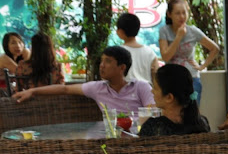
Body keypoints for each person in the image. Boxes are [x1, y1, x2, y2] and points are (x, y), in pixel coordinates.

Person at [13, 46, 154, 113]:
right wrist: (32, 91)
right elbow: (65, 89)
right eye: (101, 61)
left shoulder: (141, 87)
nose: (102, 65)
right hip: (113, 140)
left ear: (122, 67)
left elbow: (152, 113)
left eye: (108, 61)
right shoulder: (98, 88)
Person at [159, 0, 219, 105]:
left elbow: (214, 49)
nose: (182, 16)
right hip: (171, 79)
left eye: (184, 12)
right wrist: (178, 37)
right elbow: (165, 57)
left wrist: (202, 67)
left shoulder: (193, 31)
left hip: (192, 78)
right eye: (177, 13)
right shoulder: (164, 31)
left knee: (192, 110)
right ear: (169, 14)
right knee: (173, 111)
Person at [139, 63, 210, 136]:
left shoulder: (152, 127)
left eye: (155, 88)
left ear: (169, 97)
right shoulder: (202, 123)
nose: (152, 91)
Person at [116, 12, 159, 85]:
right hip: (146, 90)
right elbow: (156, 75)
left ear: (120, 31)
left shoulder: (117, 52)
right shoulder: (150, 52)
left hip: (124, 90)